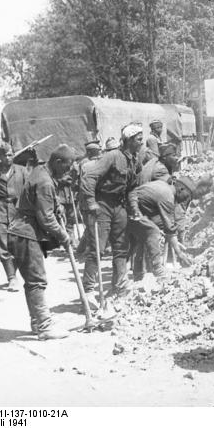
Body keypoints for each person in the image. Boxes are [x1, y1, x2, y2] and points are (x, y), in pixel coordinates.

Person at [8, 145, 75, 340]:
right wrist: (63, 235)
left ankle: (37, 322)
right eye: (67, 166)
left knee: (32, 281)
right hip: (26, 234)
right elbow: (46, 218)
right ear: (58, 162)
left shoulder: (41, 171)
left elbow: (46, 202)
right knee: (37, 280)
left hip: (22, 232)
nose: (68, 171)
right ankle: (45, 326)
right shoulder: (45, 181)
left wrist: (58, 206)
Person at [80, 125, 143, 305]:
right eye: (138, 139)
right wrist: (91, 202)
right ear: (129, 140)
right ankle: (89, 291)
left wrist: (134, 207)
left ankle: (119, 286)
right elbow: (89, 178)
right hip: (102, 204)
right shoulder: (112, 156)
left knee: (122, 246)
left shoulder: (135, 160)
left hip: (119, 204)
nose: (141, 142)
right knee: (97, 249)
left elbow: (131, 187)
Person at [0, 142, 29, 292]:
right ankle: (11, 278)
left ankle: (21, 274)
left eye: (10, 154)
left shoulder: (22, 171)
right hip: (0, 211)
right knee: (3, 247)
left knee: (20, 246)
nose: (8, 157)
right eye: (4, 155)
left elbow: (30, 191)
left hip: (19, 211)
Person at [129, 179, 184, 285]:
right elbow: (170, 228)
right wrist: (180, 253)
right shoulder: (167, 196)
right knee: (152, 231)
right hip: (132, 206)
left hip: (132, 205)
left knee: (143, 237)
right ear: (180, 190)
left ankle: (138, 274)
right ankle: (158, 270)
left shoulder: (162, 185)